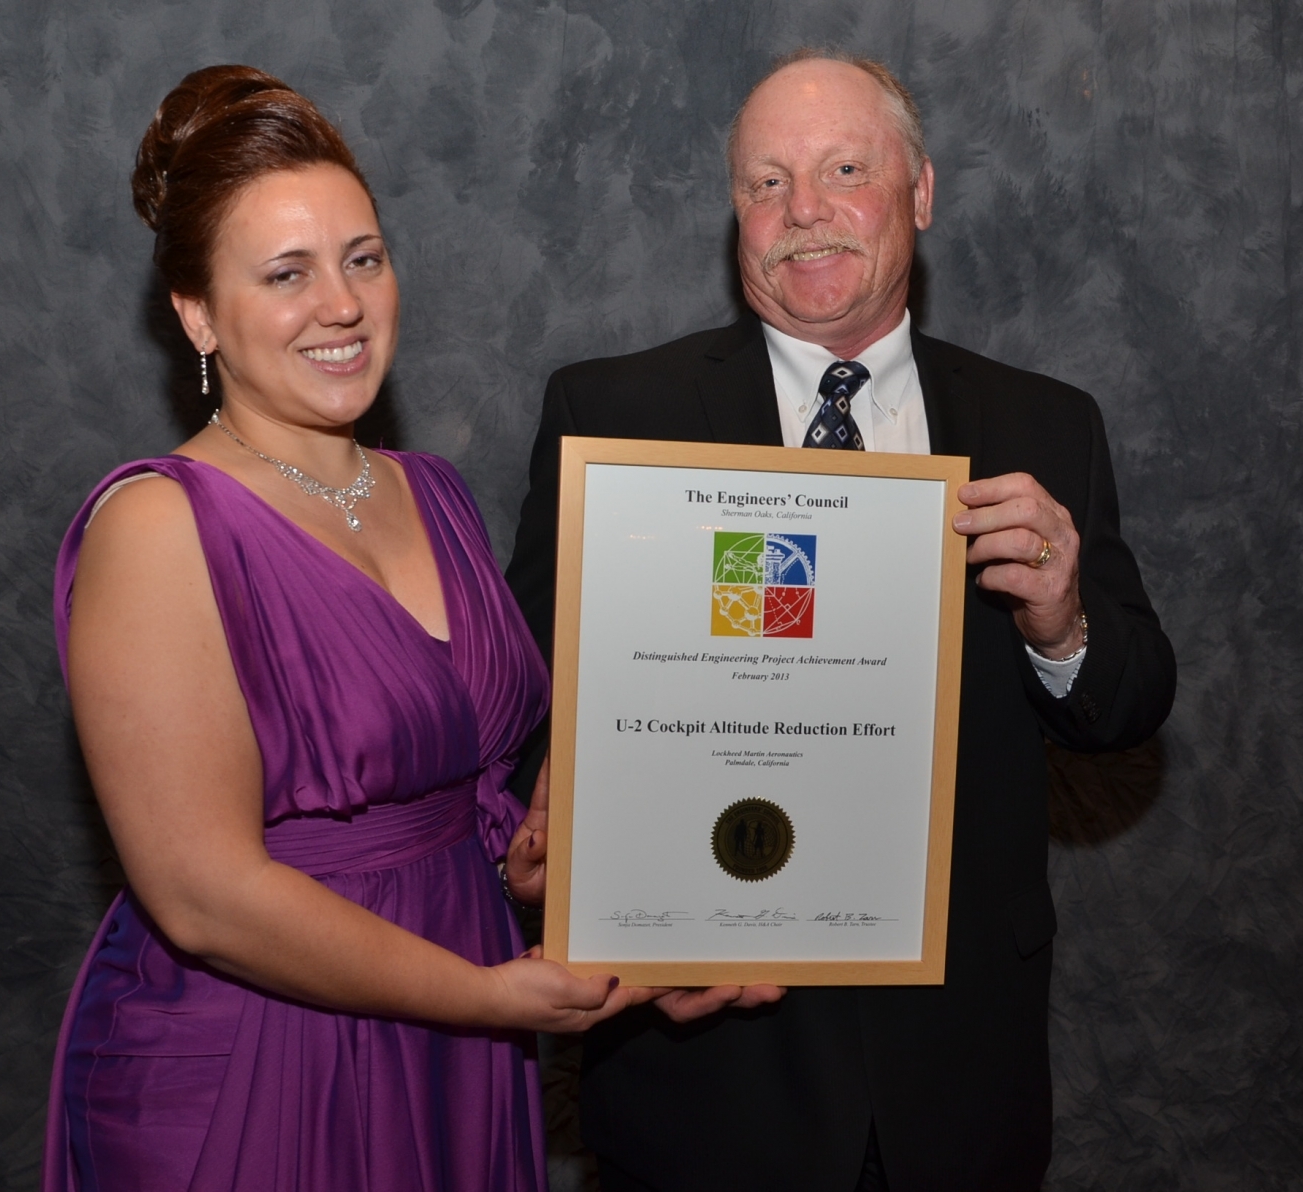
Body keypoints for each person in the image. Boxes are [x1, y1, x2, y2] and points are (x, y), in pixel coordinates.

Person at [502, 50, 1177, 1191]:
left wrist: (1061, 621)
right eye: (765, 183)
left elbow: (1130, 704)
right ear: (735, 218)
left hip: (956, 1065)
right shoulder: (616, 414)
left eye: (843, 169)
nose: (802, 212)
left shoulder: (1045, 423)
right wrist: (547, 829)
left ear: (920, 192)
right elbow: (528, 693)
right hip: (707, 1059)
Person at [42, 66, 647, 1192]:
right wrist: (481, 993)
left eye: (363, 258)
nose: (344, 304)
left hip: (455, 1035)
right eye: (287, 273)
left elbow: (457, 786)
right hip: (260, 1059)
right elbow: (202, 894)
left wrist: (526, 856)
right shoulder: (160, 525)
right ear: (196, 313)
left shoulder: (437, 493)